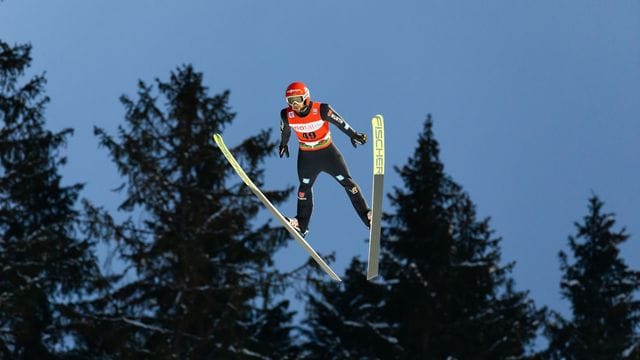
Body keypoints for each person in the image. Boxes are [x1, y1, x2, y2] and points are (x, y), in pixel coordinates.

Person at [279, 81, 371, 236]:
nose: (294, 104)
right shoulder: (286, 115)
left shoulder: (321, 109)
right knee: (304, 189)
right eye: (290, 101)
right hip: (307, 156)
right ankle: (301, 224)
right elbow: (285, 130)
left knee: (347, 182)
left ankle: (367, 217)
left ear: (306, 98)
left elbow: (340, 122)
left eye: (298, 99)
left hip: (328, 153)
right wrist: (283, 144)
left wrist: (354, 135)